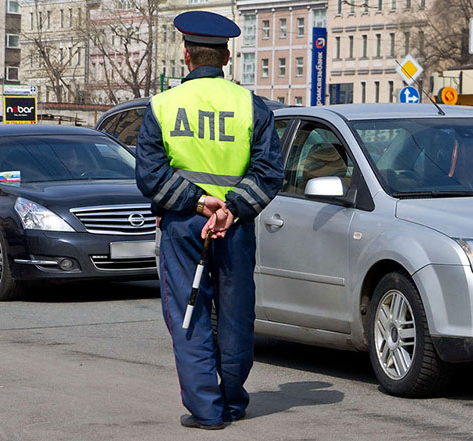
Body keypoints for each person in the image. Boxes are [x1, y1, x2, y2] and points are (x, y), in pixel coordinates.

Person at [134, 11, 283, 430]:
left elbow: (150, 176)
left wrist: (201, 205)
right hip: (233, 227)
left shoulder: (162, 106)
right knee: (235, 314)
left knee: (189, 313)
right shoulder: (251, 107)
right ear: (227, 56)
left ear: (186, 55)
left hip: (184, 226)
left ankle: (206, 409)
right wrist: (229, 208)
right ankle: (232, 401)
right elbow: (269, 172)